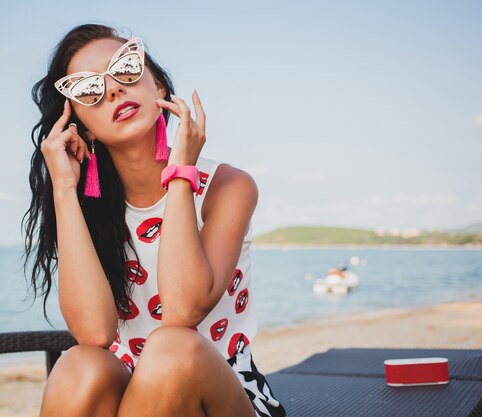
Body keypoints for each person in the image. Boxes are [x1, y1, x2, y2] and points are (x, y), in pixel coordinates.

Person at [22, 23, 287, 417]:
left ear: (158, 85)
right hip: (132, 398)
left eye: (125, 69)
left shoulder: (226, 186)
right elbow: (94, 333)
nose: (112, 89)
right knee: (79, 364)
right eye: (88, 89)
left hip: (224, 395)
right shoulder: (88, 208)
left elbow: (182, 312)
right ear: (77, 121)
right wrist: (63, 188)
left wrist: (181, 173)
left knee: (170, 348)